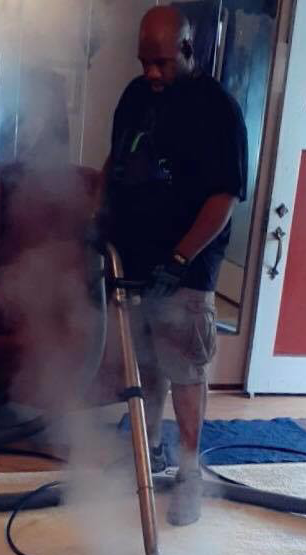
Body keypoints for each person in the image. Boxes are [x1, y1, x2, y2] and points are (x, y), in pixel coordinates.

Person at [101, 4, 248, 525]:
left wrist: (180, 256)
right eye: (144, 61)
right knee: (142, 365)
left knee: (184, 367)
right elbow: (115, 162)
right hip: (134, 263)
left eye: (161, 63)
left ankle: (189, 474)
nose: (151, 73)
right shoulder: (136, 97)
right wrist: (102, 218)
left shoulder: (217, 109)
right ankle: (148, 455)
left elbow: (223, 197)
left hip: (186, 269)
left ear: (188, 50)